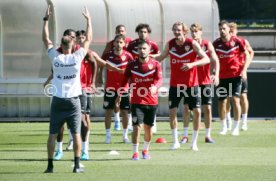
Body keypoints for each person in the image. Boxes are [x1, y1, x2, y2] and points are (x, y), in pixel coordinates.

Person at [42, 5, 92, 173]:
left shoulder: (55, 57)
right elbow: (88, 40)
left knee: (52, 134)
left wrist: (46, 20)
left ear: (61, 45)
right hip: (73, 101)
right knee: (76, 133)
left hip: (57, 100)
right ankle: (77, 166)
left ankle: (50, 166)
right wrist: (89, 20)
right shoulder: (77, 57)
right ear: (72, 44)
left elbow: (45, 39)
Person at [156, 22, 210, 151]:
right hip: (175, 85)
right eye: (174, 30)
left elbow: (206, 59)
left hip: (192, 84)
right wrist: (147, 58)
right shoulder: (170, 44)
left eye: (179, 30)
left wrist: (192, 65)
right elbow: (161, 56)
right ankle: (175, 142)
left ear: (184, 31)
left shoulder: (192, 43)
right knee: (172, 112)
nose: (176, 32)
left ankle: (194, 142)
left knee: (197, 111)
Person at [116, 40, 162, 160]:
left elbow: (159, 80)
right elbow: (124, 81)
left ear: (149, 50)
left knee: (148, 128)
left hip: (152, 102)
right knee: (136, 127)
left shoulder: (156, 64)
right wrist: (119, 95)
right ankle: (135, 152)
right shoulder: (131, 65)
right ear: (137, 50)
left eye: (144, 48)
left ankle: (145, 150)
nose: (142, 51)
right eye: (140, 49)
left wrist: (155, 87)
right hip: (136, 101)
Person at [180, 23, 220, 144]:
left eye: (196, 31)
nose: (194, 33)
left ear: (201, 32)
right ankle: (185, 135)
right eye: (192, 31)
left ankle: (207, 135)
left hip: (205, 81)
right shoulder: (188, 45)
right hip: (191, 82)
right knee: (187, 108)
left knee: (207, 108)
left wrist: (216, 74)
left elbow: (215, 60)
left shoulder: (207, 45)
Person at [213, 20, 250, 136]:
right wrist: (213, 74)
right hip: (222, 77)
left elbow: (247, 55)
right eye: (220, 29)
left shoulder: (237, 41)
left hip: (235, 76)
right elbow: (213, 60)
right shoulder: (216, 44)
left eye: (224, 28)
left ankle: (236, 127)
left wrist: (244, 70)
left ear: (229, 29)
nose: (222, 31)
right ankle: (224, 126)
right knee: (222, 102)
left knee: (235, 100)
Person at [127, 23, 160, 133]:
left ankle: (152, 123)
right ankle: (134, 123)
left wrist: (150, 57)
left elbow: (159, 56)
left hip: (149, 71)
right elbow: (127, 56)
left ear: (148, 33)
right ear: (138, 33)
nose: (142, 34)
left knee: (151, 99)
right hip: (136, 71)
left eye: (145, 32)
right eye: (140, 32)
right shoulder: (132, 44)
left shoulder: (153, 45)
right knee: (135, 98)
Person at [100, 25, 133, 132]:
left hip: (124, 88)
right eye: (117, 42)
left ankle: (125, 135)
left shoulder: (128, 56)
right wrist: (98, 78)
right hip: (110, 87)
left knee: (125, 112)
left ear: (124, 44)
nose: (118, 44)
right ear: (113, 43)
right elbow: (101, 64)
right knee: (108, 111)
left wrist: (132, 85)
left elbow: (132, 72)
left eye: (121, 42)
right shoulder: (108, 55)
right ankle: (108, 135)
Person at [225, 22, 254, 131]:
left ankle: (244, 121)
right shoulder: (225, 43)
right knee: (227, 98)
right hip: (228, 74)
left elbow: (251, 52)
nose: (231, 32)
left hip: (240, 73)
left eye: (233, 30)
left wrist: (245, 68)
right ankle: (228, 121)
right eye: (230, 30)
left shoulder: (242, 42)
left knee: (243, 96)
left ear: (236, 31)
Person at [76, 30, 98, 160]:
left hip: (85, 88)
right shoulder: (72, 51)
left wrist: (93, 82)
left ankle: (85, 146)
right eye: (78, 38)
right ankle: (75, 141)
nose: (80, 40)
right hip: (73, 89)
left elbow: (96, 63)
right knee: (74, 117)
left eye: (83, 38)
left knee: (85, 117)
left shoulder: (87, 52)